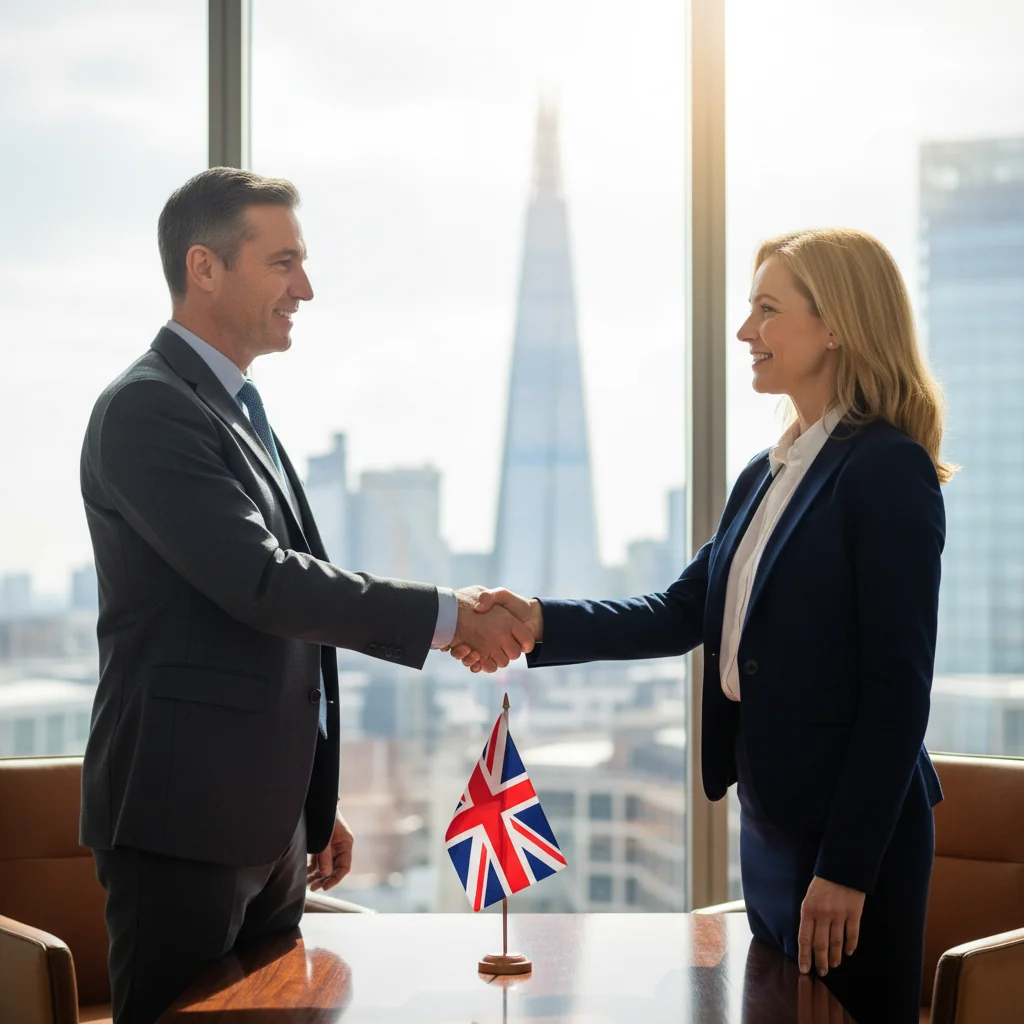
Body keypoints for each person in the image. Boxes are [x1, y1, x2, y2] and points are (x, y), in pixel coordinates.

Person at [448, 227, 951, 1024]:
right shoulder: (768, 471)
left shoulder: (887, 470)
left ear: (835, 326)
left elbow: (898, 690)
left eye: (766, 310)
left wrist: (848, 869)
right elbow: (682, 612)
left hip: (853, 839)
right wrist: (536, 621)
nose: (746, 332)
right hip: (773, 823)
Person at [80, 166, 534, 1024]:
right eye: (283, 262)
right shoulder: (147, 411)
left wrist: (308, 805)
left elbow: (288, 629)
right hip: (184, 827)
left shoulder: (239, 410)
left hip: (263, 827)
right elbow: (262, 583)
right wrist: (449, 616)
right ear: (204, 266)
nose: (307, 289)